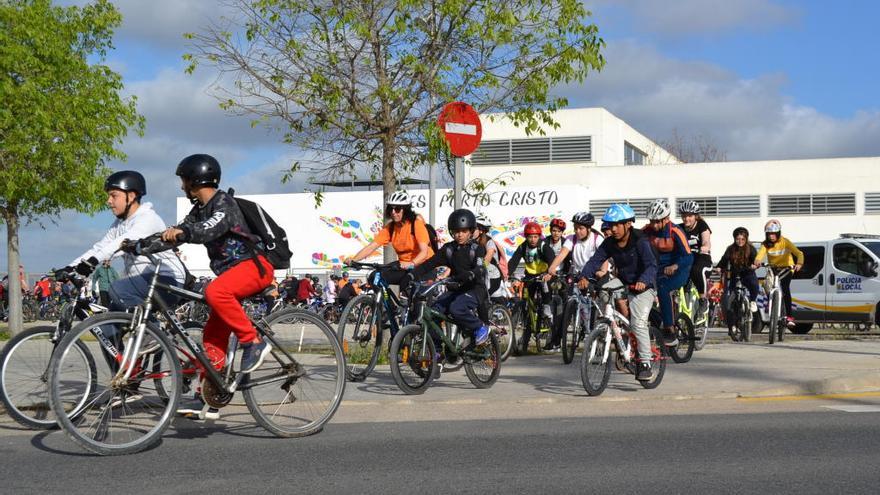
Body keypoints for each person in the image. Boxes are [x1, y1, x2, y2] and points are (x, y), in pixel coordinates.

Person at [161, 154, 276, 419]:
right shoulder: (199, 210)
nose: (182, 187)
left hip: (253, 267)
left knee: (215, 292)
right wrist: (144, 245)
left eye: (184, 181)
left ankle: (253, 343)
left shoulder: (223, 203)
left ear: (195, 180)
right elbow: (182, 230)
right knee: (212, 335)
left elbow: (207, 229)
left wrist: (184, 234)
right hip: (231, 274)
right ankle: (210, 397)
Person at [61, 171, 186, 311]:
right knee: (109, 326)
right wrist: (70, 267)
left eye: (113, 195)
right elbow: (100, 247)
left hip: (167, 280)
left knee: (117, 289)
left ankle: (152, 331)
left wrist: (93, 261)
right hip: (141, 282)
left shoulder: (147, 218)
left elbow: (119, 244)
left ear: (131, 196)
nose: (108, 201)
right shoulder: (119, 224)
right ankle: (148, 330)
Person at [578, 203, 658, 381]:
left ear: (628, 224)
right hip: (623, 281)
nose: (612, 229)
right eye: (610, 225)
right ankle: (613, 327)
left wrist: (643, 281)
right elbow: (595, 261)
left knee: (637, 323)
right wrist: (584, 277)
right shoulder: (609, 243)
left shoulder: (641, 240)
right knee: (603, 289)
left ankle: (645, 362)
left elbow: (652, 266)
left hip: (644, 285)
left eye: (616, 225)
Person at [411, 209, 489, 376]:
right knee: (433, 312)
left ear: (471, 231)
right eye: (456, 232)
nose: (460, 235)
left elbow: (480, 268)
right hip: (456, 288)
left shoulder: (477, 249)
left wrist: (471, 273)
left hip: (475, 289)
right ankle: (437, 352)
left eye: (464, 231)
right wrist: (412, 274)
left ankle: (480, 327)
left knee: (456, 308)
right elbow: (429, 264)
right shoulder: (448, 250)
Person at [346, 190, 434, 295]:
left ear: (405, 210)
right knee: (375, 276)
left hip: (424, 266)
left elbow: (424, 252)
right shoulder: (391, 228)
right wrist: (354, 260)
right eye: (390, 209)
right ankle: (387, 306)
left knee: (413, 294)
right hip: (403, 266)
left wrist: (411, 263)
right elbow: (372, 246)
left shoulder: (416, 224)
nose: (393, 212)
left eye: (397, 209)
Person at [642, 198, 693, 345]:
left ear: (666, 219)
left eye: (658, 221)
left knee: (663, 288)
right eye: (652, 221)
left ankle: (670, 331)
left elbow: (688, 256)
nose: (654, 225)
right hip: (657, 270)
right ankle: (657, 320)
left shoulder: (675, 231)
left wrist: (675, 266)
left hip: (679, 269)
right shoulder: (646, 231)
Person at [508, 221, 557, 350]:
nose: (533, 239)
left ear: (539, 236)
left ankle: (546, 310)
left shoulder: (544, 246)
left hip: (543, 274)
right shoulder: (523, 247)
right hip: (530, 275)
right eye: (530, 236)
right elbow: (513, 261)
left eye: (535, 237)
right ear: (526, 237)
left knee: (545, 289)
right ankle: (527, 328)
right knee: (526, 302)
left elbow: (551, 258)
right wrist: (507, 274)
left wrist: (549, 273)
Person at [752, 219, 804, 328]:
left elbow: (799, 253)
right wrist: (757, 261)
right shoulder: (765, 244)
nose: (771, 236)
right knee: (766, 286)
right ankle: (774, 304)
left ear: (778, 233)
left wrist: (799, 263)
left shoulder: (785, 242)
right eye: (769, 234)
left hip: (787, 268)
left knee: (785, 289)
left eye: (774, 234)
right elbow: (760, 255)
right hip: (773, 268)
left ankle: (789, 316)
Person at [715, 227, 759, 337]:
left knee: (754, 285)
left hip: (748, 274)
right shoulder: (730, 249)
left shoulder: (751, 249)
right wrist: (719, 267)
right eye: (738, 239)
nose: (740, 241)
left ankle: (752, 301)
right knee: (730, 303)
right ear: (734, 239)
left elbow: (756, 260)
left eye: (742, 239)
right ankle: (732, 326)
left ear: (746, 239)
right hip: (735, 275)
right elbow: (724, 260)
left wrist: (755, 265)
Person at [678, 200, 713, 314]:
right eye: (684, 215)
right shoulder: (679, 228)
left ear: (696, 216)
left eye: (690, 215)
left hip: (702, 259)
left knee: (697, 270)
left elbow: (706, 242)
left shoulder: (702, 225)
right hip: (686, 260)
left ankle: (703, 300)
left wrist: (704, 247)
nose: (686, 218)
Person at [475, 213, 504, 297]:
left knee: (481, 299)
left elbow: (487, 258)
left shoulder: (489, 242)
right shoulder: (471, 243)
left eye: (473, 228)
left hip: (492, 277)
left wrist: (478, 268)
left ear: (481, 230)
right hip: (481, 277)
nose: (470, 230)